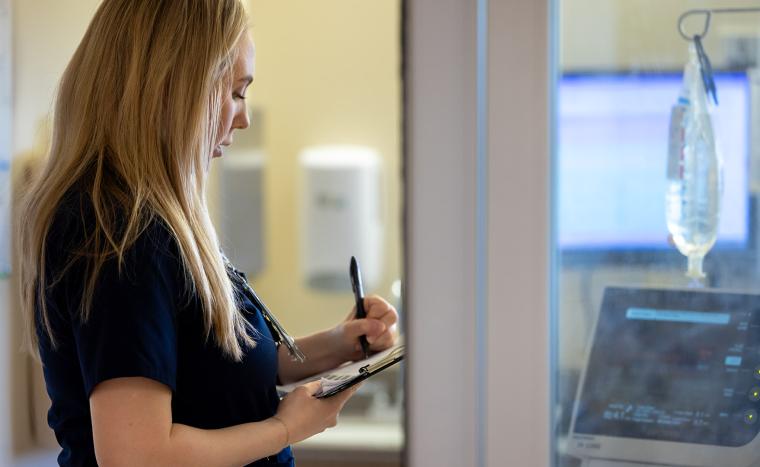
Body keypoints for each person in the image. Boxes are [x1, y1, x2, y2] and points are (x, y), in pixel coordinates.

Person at [15, 1, 399, 466]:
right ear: (174, 89)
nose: (244, 118)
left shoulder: (155, 220)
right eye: (236, 92)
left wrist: (338, 343)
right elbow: (137, 455)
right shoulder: (120, 234)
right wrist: (286, 427)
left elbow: (214, 374)